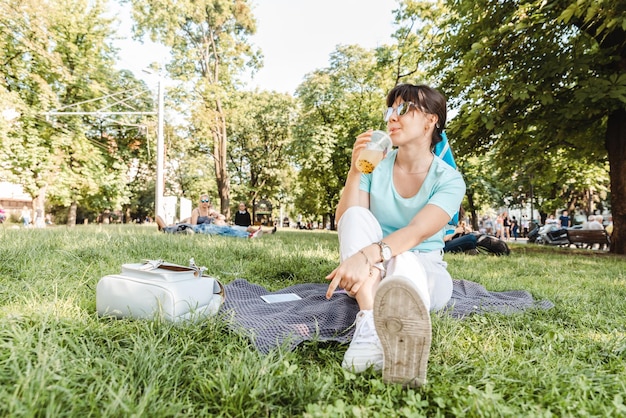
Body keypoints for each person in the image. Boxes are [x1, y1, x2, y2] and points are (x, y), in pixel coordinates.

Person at [325, 84, 465, 387]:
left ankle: (385, 327)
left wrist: (364, 256)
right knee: (356, 215)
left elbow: (416, 232)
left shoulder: (449, 180)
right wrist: (354, 172)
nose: (392, 118)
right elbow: (347, 220)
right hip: (372, 270)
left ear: (431, 120)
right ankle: (371, 323)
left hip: (421, 270)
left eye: (403, 109)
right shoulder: (374, 167)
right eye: (390, 110)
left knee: (404, 263)